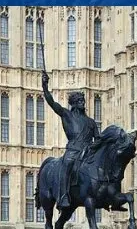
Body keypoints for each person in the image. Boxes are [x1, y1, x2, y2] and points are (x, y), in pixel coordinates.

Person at [42, 71, 101, 210]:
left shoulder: (91, 122)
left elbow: (98, 139)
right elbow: (51, 102)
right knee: (67, 164)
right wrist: (44, 86)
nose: (82, 103)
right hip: (73, 151)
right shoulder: (66, 115)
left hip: (87, 153)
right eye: (80, 101)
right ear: (74, 104)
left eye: (83, 101)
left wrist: (94, 146)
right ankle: (63, 197)